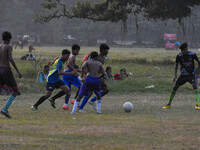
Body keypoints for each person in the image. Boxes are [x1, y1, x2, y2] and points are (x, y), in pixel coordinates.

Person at [162, 43, 200, 110]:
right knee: (175, 87)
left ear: (186, 49)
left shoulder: (192, 54)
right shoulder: (179, 56)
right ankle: (169, 104)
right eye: (181, 50)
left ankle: (197, 104)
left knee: (194, 85)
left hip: (191, 74)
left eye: (183, 50)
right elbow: (176, 65)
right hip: (183, 75)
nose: (182, 52)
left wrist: (197, 71)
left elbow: (199, 61)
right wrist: (175, 75)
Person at [48, 44, 82, 110]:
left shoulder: (68, 56)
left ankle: (65, 105)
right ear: (73, 50)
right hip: (69, 73)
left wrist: (52, 62)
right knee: (81, 87)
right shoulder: (72, 56)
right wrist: (74, 70)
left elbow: (58, 57)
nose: (78, 52)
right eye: (77, 50)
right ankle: (75, 100)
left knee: (68, 90)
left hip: (65, 74)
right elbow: (68, 64)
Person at [78, 43, 110, 112]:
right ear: (103, 50)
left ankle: (84, 105)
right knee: (92, 92)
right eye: (107, 50)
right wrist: (86, 76)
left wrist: (101, 76)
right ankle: (85, 105)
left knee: (91, 92)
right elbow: (88, 67)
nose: (108, 52)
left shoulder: (102, 58)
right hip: (93, 78)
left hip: (96, 78)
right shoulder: (98, 58)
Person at [0, 31, 22, 118]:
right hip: (6, 70)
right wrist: (18, 71)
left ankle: (5, 109)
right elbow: (10, 59)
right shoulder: (8, 47)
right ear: (9, 39)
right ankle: (5, 109)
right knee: (16, 91)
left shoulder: (0, 46)